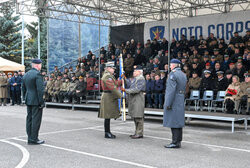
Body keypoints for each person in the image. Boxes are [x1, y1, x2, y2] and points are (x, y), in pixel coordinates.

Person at [163, 59, 187, 149]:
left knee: (173, 121)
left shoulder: (173, 74)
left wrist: (168, 103)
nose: (170, 66)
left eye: (171, 65)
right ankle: (178, 141)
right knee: (179, 121)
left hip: (174, 99)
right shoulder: (183, 74)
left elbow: (171, 91)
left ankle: (175, 142)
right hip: (180, 98)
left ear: (174, 65)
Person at [22, 59, 45, 145]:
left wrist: (25, 98)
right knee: (36, 119)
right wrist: (41, 101)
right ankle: (34, 139)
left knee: (29, 119)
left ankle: (30, 137)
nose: (41, 66)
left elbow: (23, 88)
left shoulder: (26, 74)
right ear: (37, 65)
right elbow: (40, 90)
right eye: (40, 65)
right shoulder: (38, 74)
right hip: (36, 100)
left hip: (29, 99)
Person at [99, 62, 122, 139]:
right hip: (108, 96)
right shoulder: (107, 76)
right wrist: (121, 96)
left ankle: (108, 132)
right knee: (107, 116)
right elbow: (112, 87)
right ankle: (107, 132)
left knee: (108, 115)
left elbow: (115, 84)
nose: (113, 70)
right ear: (108, 68)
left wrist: (121, 81)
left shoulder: (109, 76)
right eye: (112, 68)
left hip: (110, 96)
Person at [122, 65, 146, 139]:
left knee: (138, 116)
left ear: (139, 72)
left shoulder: (141, 79)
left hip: (138, 98)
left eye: (135, 71)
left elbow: (136, 89)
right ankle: (137, 132)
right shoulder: (136, 78)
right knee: (135, 116)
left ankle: (139, 133)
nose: (133, 72)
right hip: (134, 99)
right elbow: (130, 85)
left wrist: (126, 90)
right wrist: (125, 78)